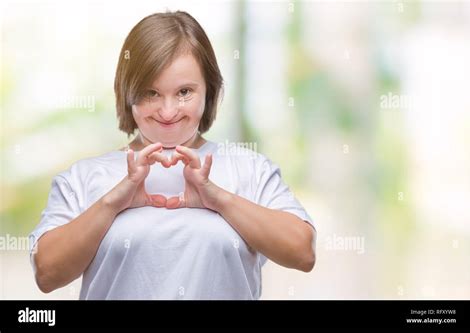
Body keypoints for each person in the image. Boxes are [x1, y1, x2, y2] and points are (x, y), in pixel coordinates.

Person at [29, 11, 316, 300]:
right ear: (127, 92)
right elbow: (47, 274)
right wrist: (112, 203)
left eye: (184, 92)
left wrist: (218, 198)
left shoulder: (250, 169)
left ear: (209, 91)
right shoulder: (84, 176)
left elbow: (303, 253)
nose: (168, 112)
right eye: (151, 93)